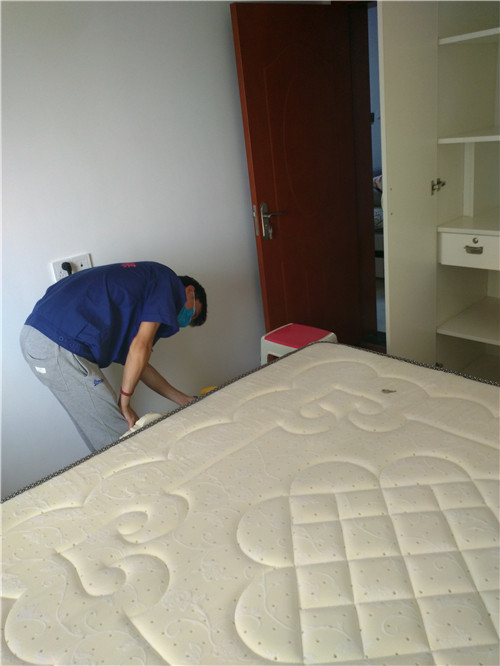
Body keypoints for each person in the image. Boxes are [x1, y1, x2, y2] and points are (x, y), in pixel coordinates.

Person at [20, 261, 207, 451]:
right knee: (124, 439)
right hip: (56, 341)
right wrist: (125, 403)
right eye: (192, 313)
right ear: (190, 291)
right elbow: (140, 347)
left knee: (104, 436)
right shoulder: (167, 280)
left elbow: (139, 364)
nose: (185, 320)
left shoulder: (142, 296)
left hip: (46, 337)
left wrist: (184, 400)